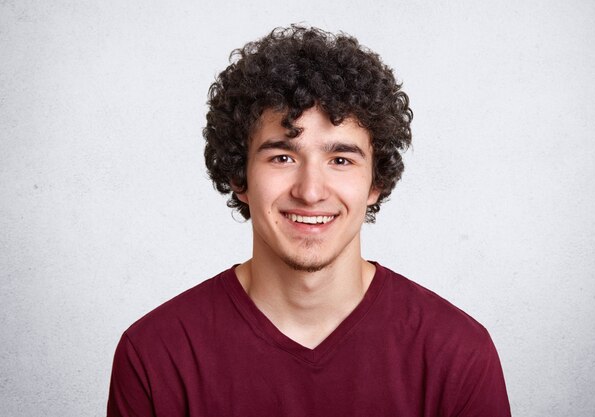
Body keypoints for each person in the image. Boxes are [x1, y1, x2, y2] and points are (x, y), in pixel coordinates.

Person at [107, 25, 511, 417]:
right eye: (282, 157)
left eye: (340, 160)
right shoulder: (155, 355)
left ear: (377, 182)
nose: (311, 190)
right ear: (239, 176)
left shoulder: (458, 354)